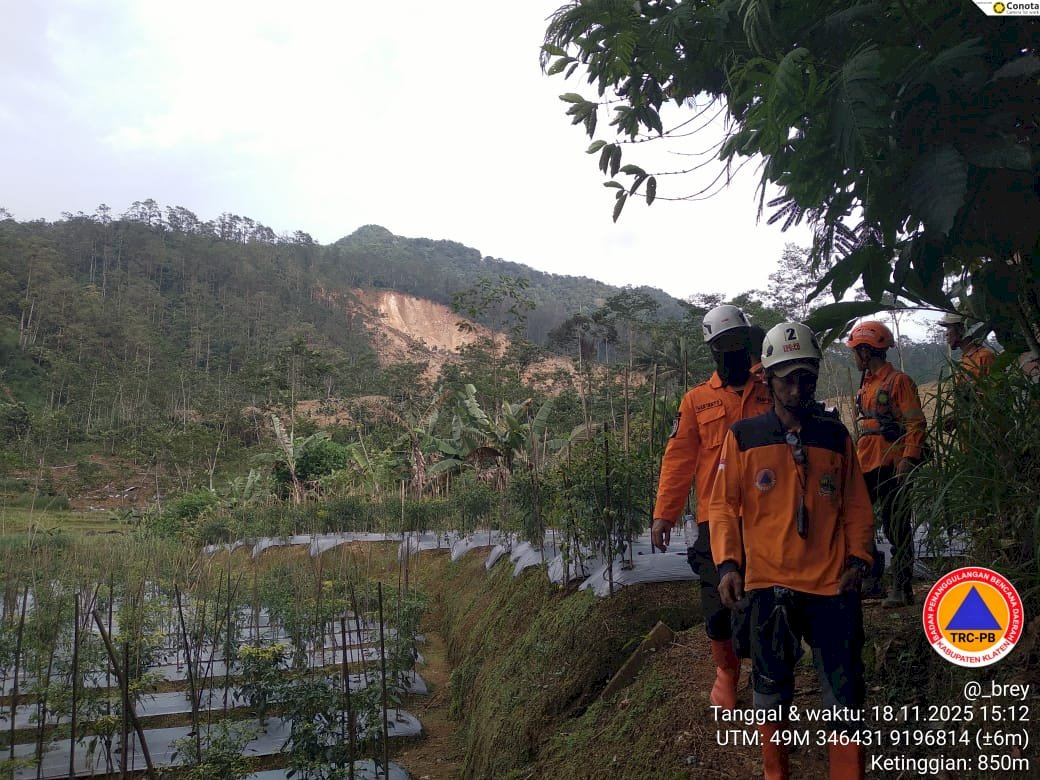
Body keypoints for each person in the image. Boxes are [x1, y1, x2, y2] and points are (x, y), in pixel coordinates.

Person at [711, 321, 874, 780]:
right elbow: (723, 506)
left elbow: (857, 505)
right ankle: (775, 773)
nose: (798, 386)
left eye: (806, 376)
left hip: (831, 585)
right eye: (787, 377)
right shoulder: (743, 437)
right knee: (770, 691)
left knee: (844, 693)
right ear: (767, 379)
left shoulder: (835, 438)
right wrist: (728, 564)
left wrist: (859, 558)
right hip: (767, 585)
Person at [651, 304, 772, 710]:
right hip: (713, 519)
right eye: (723, 346)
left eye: (738, 343)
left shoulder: (770, 391)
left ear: (747, 343)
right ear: (713, 351)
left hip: (766, 515)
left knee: (764, 599)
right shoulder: (696, 401)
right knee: (715, 603)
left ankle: (764, 672)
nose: (732, 351)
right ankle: (726, 670)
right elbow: (679, 459)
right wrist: (665, 514)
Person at [846, 321, 926, 609]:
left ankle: (902, 587)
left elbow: (916, 423)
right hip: (867, 461)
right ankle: (871, 579)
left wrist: (909, 458)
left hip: (893, 461)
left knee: (897, 524)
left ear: (866, 352)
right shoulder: (867, 383)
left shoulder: (898, 382)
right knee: (859, 521)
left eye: (856, 351)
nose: (854, 357)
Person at [939, 312, 995, 380]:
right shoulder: (964, 360)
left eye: (948, 328)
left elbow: (997, 388)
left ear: (961, 329)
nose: (946, 334)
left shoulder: (984, 356)